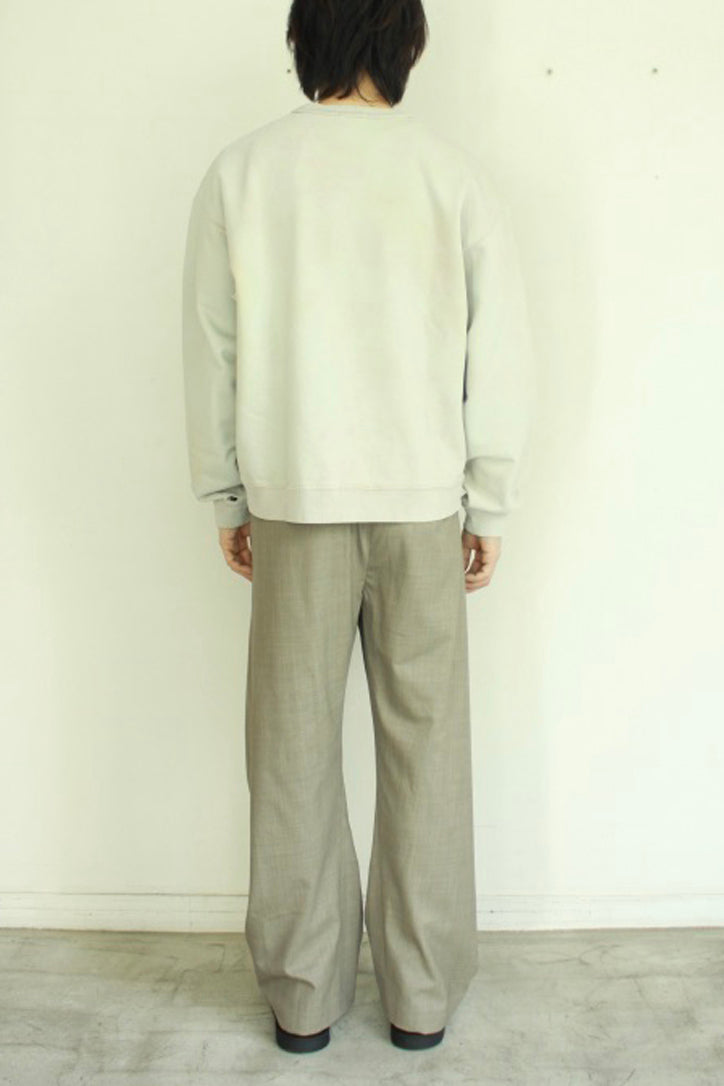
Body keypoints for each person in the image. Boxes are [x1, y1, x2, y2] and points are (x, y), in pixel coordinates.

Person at [182, 0, 535, 1057]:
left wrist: (225, 494)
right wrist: (489, 497)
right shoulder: (450, 174)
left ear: (305, 42)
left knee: (290, 757)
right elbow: (499, 349)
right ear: (405, 44)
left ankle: (303, 1001)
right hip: (423, 505)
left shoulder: (243, 172)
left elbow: (212, 348)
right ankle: (420, 998)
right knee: (428, 752)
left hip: (294, 502)